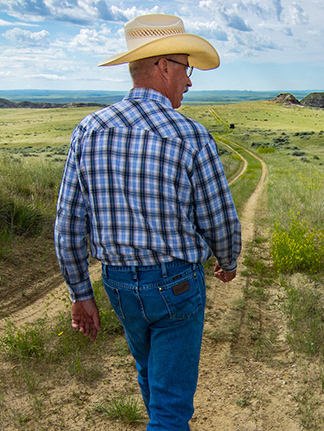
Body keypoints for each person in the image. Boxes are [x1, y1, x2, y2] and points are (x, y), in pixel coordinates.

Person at [54, 14, 242, 430]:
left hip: (118, 284)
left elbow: (69, 223)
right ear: (163, 67)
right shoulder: (190, 135)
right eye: (186, 69)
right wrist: (228, 261)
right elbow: (219, 218)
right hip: (175, 284)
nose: (189, 82)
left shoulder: (89, 130)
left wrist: (79, 293)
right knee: (172, 406)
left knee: (150, 378)